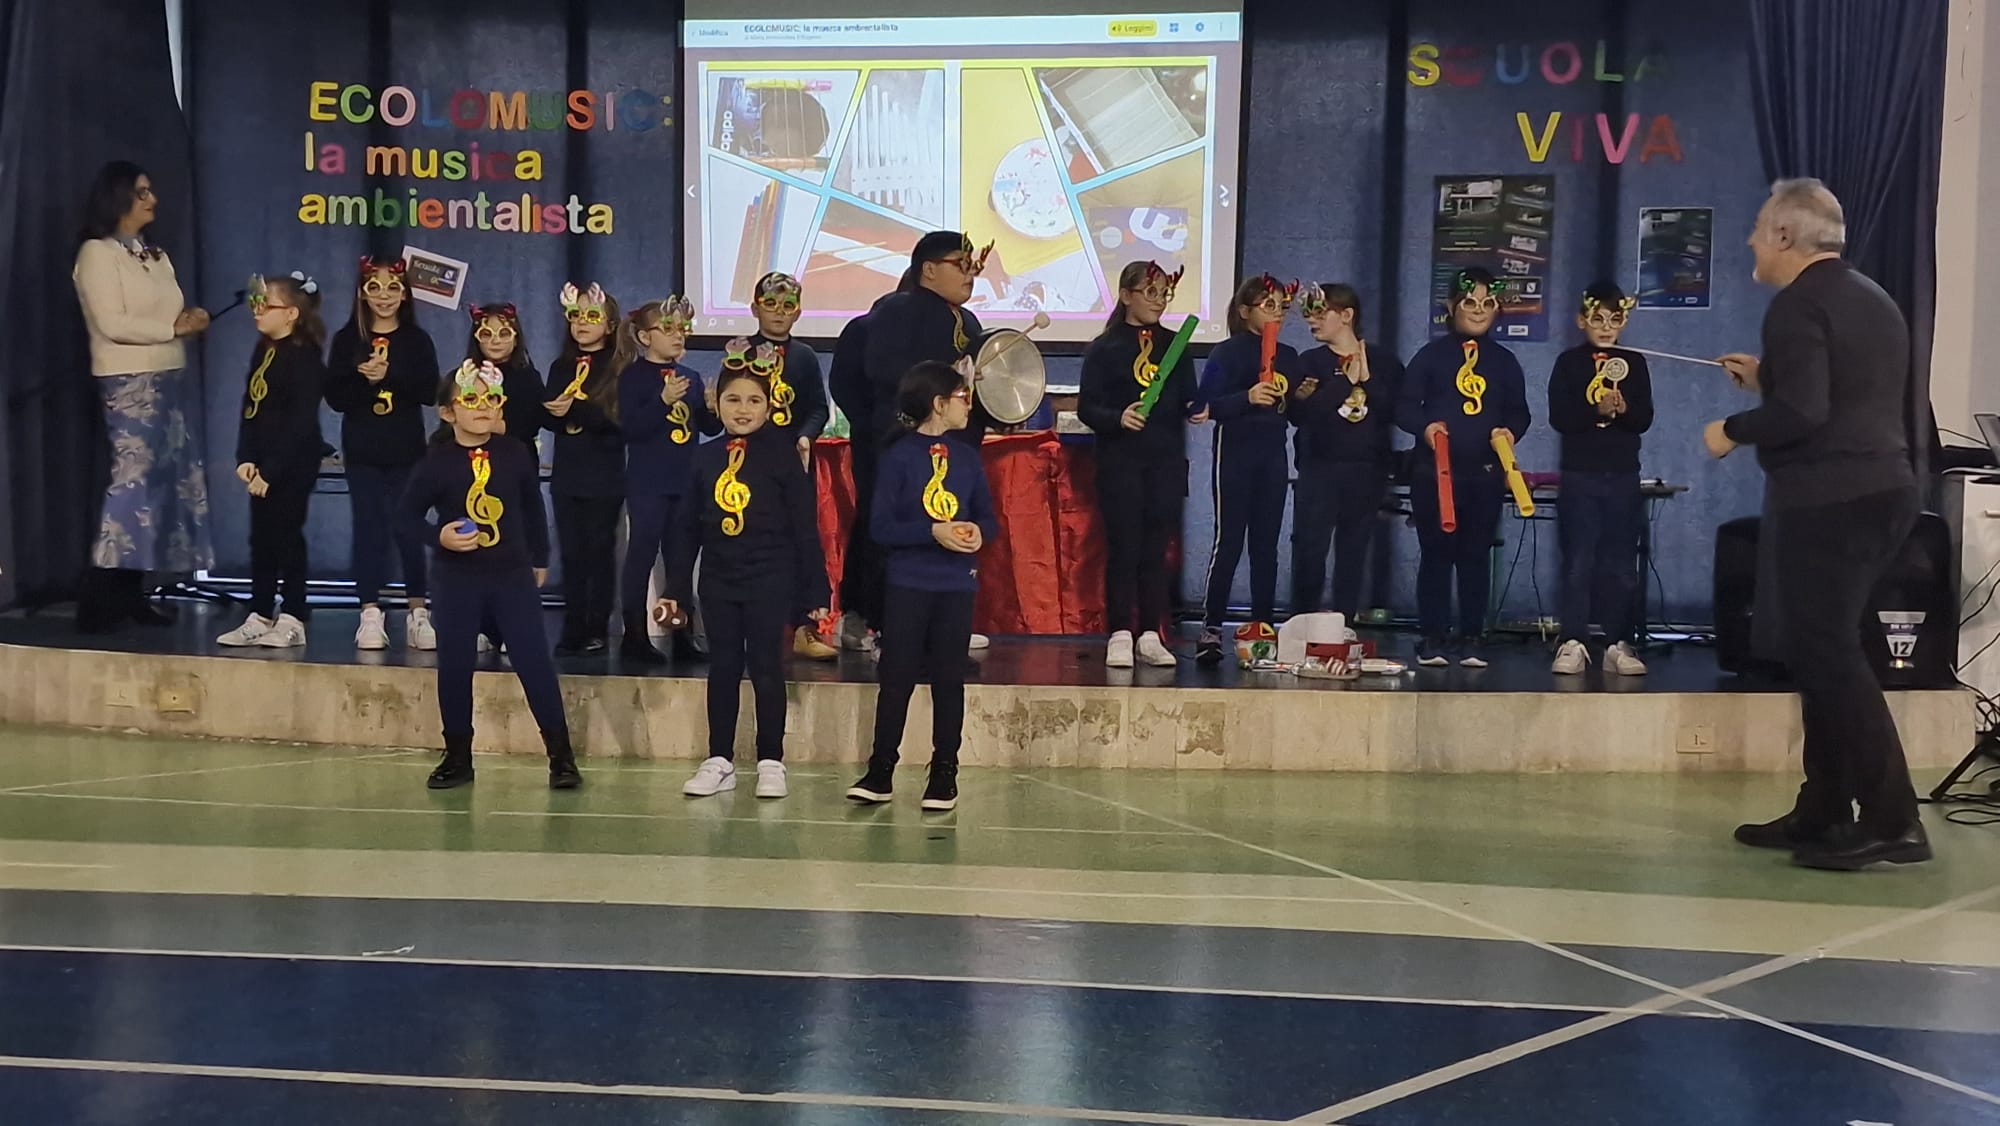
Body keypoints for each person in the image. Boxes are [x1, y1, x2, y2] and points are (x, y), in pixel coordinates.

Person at [1706, 178, 1927, 870]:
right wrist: (1769, 378)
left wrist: (1731, 429)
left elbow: (1803, 414)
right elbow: (1839, 392)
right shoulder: (1871, 297)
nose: (1751, 239)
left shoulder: (1797, 304)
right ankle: (1825, 808)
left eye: (1758, 227)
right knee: (1823, 652)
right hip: (1883, 493)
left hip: (1831, 501)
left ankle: (1893, 820)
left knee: (1828, 656)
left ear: (1784, 235)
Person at [403, 360, 580, 791]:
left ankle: (561, 757)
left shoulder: (514, 452)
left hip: (511, 576)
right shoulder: (436, 462)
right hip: (456, 580)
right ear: (448, 412)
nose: (482, 407)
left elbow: (532, 507)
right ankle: (458, 755)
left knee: (533, 661)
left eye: (491, 399)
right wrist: (438, 536)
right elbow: (404, 517)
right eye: (470, 399)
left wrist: (540, 557)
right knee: (455, 665)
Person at [663, 366, 829, 800]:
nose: (743, 409)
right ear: (716, 403)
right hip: (719, 579)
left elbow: (804, 528)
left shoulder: (784, 457)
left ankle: (771, 760)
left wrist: (815, 590)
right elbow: (686, 529)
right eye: (733, 399)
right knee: (722, 667)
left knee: (766, 666)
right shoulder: (704, 457)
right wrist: (676, 589)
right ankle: (719, 760)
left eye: (754, 400)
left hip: (770, 577)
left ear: (769, 407)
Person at [847, 359, 996, 812]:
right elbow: (881, 527)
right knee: (897, 677)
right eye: (962, 397)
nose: (968, 404)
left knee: (949, 679)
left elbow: (988, 517)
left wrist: (976, 532)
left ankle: (944, 771)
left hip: (956, 585)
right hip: (908, 583)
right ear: (938, 403)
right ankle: (881, 770)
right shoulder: (898, 456)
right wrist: (932, 532)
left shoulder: (967, 457)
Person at [71, 160, 212, 632]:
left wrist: (188, 320)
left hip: (169, 376)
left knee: (160, 489)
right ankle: (98, 596)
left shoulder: (153, 253)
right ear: (118, 197)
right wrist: (172, 329)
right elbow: (112, 323)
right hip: (128, 380)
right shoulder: (97, 253)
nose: (152, 199)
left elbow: (166, 313)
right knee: (131, 484)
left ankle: (132, 591)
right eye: (142, 192)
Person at [858, 233, 999, 653]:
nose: (970, 274)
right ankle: (884, 624)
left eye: (973, 266)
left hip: (957, 448)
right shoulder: (898, 309)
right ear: (929, 269)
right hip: (908, 445)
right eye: (961, 264)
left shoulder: (968, 321)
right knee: (898, 529)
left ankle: (946, 625)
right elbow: (879, 367)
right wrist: (943, 375)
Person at [1395, 267, 1531, 669]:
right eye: (1470, 301)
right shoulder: (1430, 356)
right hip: (1434, 474)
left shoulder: (1504, 361)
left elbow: (1519, 412)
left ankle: (1472, 635)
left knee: (1475, 556)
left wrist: (1510, 432)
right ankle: (1432, 635)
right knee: (1436, 554)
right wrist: (1425, 428)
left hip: (1484, 474)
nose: (1478, 310)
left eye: (1488, 303)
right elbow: (1405, 406)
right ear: (1452, 305)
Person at [1077, 260, 1206, 668]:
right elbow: (1086, 407)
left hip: (1165, 461)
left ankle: (1151, 633)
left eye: (1165, 293)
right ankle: (1119, 632)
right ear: (1126, 294)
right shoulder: (1104, 348)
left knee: (1155, 551)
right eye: (1150, 292)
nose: (1159, 300)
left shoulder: (1177, 346)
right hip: (1120, 463)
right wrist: (1118, 417)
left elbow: (1187, 396)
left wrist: (1197, 407)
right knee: (1124, 548)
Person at [325, 256, 440, 652]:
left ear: (405, 293)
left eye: (393, 287)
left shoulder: (416, 339)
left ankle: (418, 612)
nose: (385, 296)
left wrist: (389, 375)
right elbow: (336, 397)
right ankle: (370, 612)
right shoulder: (347, 339)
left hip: (406, 450)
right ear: (362, 292)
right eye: (375, 287)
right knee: (369, 529)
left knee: (410, 528)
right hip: (363, 451)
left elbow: (429, 391)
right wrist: (364, 378)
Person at [217, 273, 327, 649]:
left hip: (292, 462)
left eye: (266, 305)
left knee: (286, 535)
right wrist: (246, 457)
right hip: (263, 461)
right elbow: (251, 406)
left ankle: (293, 615)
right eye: (255, 304)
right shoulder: (263, 349)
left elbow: (300, 421)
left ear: (291, 313)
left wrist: (273, 470)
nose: (257, 311)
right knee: (260, 538)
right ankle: (260, 613)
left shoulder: (305, 356)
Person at [1548, 282, 1652, 677]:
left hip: (1623, 475)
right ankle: (1573, 640)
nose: (1606, 327)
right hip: (1580, 476)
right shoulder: (1568, 363)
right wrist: (1595, 410)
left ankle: (1617, 642)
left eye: (1615, 319)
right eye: (1598, 319)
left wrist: (1623, 408)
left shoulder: (1634, 363)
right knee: (1578, 560)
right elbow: (1560, 418)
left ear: (1624, 322)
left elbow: (1644, 418)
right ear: (1581, 321)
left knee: (1621, 564)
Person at [1195, 274, 1300, 663]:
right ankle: (1211, 627)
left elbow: (1293, 412)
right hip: (1236, 451)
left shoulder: (1289, 355)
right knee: (1229, 541)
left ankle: (1263, 628)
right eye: (1268, 305)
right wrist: (1247, 397)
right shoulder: (1227, 353)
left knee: (1266, 546)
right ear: (1244, 311)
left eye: (1282, 306)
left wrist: (1304, 396)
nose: (1277, 313)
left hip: (1273, 454)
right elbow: (1205, 406)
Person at [1289, 283, 1403, 622]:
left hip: (1367, 470)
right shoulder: (1309, 362)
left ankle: (1344, 623)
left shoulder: (1385, 362)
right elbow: (1300, 414)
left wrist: (1367, 380)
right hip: (1319, 469)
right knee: (1310, 550)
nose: (1311, 321)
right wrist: (1343, 383)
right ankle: (1302, 623)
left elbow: (1397, 412)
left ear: (1346, 315)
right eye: (1308, 314)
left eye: (1320, 313)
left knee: (1353, 551)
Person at [616, 297, 720, 665]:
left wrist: (711, 408)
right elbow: (632, 429)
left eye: (682, 329)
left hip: (685, 482)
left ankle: (682, 636)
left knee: (681, 561)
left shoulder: (690, 377)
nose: (678, 336)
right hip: (648, 482)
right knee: (642, 555)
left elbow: (707, 428)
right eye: (668, 329)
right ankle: (634, 635)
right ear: (645, 337)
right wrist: (662, 400)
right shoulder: (632, 377)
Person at [743, 271, 838, 661]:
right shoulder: (741, 352)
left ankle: (804, 626)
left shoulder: (804, 356)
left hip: (794, 459)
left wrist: (806, 436)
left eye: (787, 306)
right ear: (755, 309)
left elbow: (817, 406)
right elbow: (733, 401)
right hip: (749, 462)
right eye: (771, 305)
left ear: (798, 312)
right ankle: (749, 625)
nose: (779, 313)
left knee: (801, 539)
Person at [543, 283, 632, 655]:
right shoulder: (561, 366)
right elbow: (548, 415)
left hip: (604, 475)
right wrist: (553, 412)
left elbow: (620, 420)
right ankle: (573, 625)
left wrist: (576, 410)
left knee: (598, 551)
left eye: (592, 316)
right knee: (571, 553)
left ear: (609, 325)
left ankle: (597, 626)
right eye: (576, 316)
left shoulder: (620, 368)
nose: (582, 322)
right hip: (568, 474)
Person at [464, 302, 545, 447]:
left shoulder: (528, 378)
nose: (496, 341)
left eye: (504, 333)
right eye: (486, 334)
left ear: (516, 339)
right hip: (472, 453)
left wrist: (493, 427)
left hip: (517, 453)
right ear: (477, 340)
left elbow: (532, 423)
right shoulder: (466, 377)